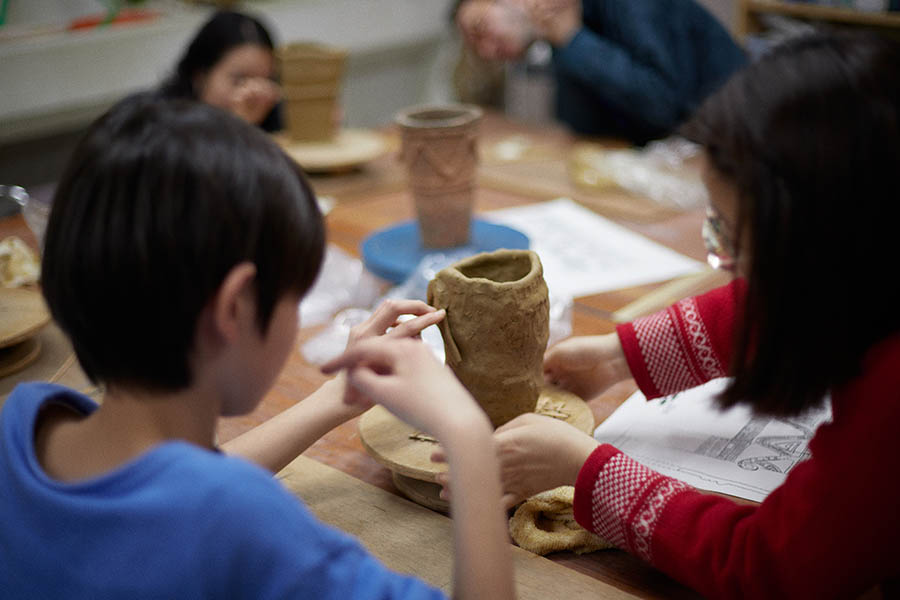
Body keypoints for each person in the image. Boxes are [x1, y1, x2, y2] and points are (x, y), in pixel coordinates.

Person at [440, 31, 900, 598]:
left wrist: (587, 471)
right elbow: (776, 303)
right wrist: (619, 357)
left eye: (730, 238)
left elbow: (769, 566)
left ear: (819, 249)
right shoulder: (871, 259)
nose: (726, 266)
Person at [0, 94, 514, 600]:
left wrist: (340, 397)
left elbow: (172, 492)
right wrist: (466, 436)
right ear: (235, 308)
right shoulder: (248, 526)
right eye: (296, 295)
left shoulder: (22, 424)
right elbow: (218, 508)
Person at [456, 0, 746, 144]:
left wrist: (573, 38)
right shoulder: (559, 26)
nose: (486, 52)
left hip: (737, 146)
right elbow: (583, 128)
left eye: (480, 29)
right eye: (475, 48)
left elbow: (663, 105)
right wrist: (566, 39)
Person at [160, 10, 282, 130]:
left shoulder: (274, 111)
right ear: (199, 77)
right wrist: (238, 125)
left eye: (266, 80)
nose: (255, 92)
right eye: (240, 80)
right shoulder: (162, 126)